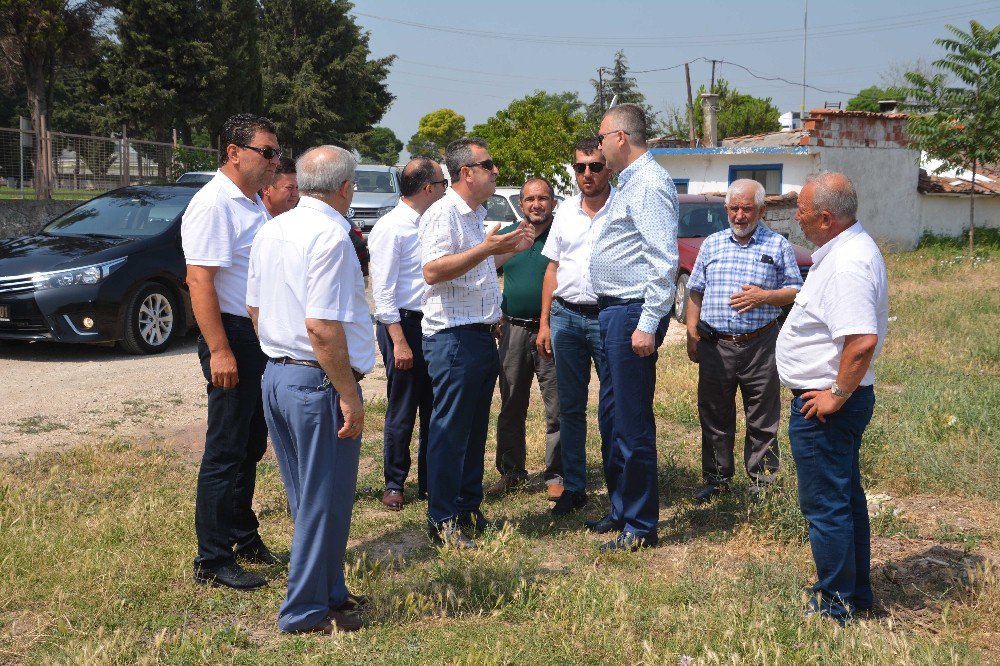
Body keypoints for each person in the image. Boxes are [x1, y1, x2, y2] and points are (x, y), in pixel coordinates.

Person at [247, 145, 375, 634]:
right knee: (324, 499)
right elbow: (322, 327)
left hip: (279, 374)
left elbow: (255, 308)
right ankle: (303, 612)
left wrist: (282, 350)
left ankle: (328, 591)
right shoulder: (331, 237)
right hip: (316, 380)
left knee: (312, 497)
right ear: (345, 188)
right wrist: (347, 392)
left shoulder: (273, 228)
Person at [776, 172, 888, 623]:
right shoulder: (847, 250)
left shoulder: (846, 263)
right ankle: (854, 593)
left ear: (825, 217)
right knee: (842, 498)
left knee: (826, 505)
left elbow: (861, 341)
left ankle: (835, 603)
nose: (797, 218)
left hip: (824, 406)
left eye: (802, 211)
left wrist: (835, 396)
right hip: (830, 401)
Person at [182, 113, 282, 590]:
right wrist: (220, 350)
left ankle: (243, 535)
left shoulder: (251, 202)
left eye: (276, 152)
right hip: (232, 338)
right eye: (267, 152)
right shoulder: (214, 203)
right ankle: (212, 559)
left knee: (250, 444)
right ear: (234, 152)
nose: (274, 161)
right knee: (225, 450)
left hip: (256, 338)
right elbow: (199, 280)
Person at [420, 137, 533, 549]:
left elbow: (475, 267)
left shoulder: (474, 214)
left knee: (472, 430)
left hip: (480, 333)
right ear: (466, 172)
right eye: (488, 164)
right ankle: (443, 518)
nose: (496, 170)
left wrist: (504, 251)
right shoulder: (443, 213)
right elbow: (433, 270)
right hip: (452, 337)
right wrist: (488, 246)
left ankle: (467, 507)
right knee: (451, 432)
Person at [589, 104, 678, 552]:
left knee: (632, 423)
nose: (599, 144)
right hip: (612, 313)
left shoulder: (649, 183)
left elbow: (664, 261)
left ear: (621, 137)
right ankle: (623, 509)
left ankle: (640, 524)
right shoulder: (629, 183)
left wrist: (647, 324)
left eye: (602, 136)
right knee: (613, 418)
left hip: (631, 314)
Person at [685, 179, 802, 503]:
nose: (739, 215)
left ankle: (762, 484)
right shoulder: (711, 244)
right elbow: (695, 290)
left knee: (762, 418)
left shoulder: (777, 245)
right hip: (715, 346)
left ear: (762, 210)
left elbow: (796, 289)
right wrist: (691, 333)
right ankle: (717, 480)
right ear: (726, 209)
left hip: (759, 346)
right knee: (714, 415)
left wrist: (765, 296)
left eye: (746, 209)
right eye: (734, 208)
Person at [537, 137, 616, 517]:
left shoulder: (622, 208)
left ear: (608, 167)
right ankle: (575, 486)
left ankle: (619, 485)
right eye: (580, 167)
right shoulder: (565, 212)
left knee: (612, 406)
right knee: (569, 408)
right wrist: (545, 323)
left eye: (595, 166)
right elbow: (552, 267)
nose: (587, 173)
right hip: (566, 318)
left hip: (607, 317)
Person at [368, 158, 448, 511]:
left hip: (432, 323)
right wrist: (398, 340)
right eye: (444, 184)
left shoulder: (432, 221)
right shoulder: (392, 227)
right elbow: (383, 292)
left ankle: (432, 481)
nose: (447, 190)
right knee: (403, 407)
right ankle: (395, 482)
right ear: (429, 188)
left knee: (434, 407)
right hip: (402, 325)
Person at [487, 177, 562, 503]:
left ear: (553, 202)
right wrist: (494, 314)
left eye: (542, 198)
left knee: (557, 406)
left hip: (553, 329)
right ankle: (511, 472)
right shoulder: (507, 236)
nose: (536, 204)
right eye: (530, 199)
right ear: (521, 204)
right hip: (512, 330)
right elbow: (484, 275)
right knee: (511, 403)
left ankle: (557, 474)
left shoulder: (563, 234)